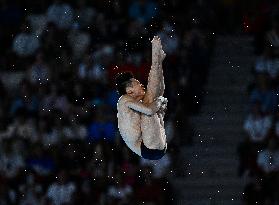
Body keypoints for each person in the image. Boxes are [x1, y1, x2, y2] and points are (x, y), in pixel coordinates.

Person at [116, 36, 167, 160]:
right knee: (151, 102)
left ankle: (157, 61)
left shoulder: (136, 103)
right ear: (129, 91)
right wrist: (160, 102)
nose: (141, 84)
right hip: (148, 148)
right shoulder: (124, 100)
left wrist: (160, 104)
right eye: (137, 83)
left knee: (154, 97)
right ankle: (156, 59)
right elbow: (150, 111)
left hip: (155, 143)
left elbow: (158, 90)